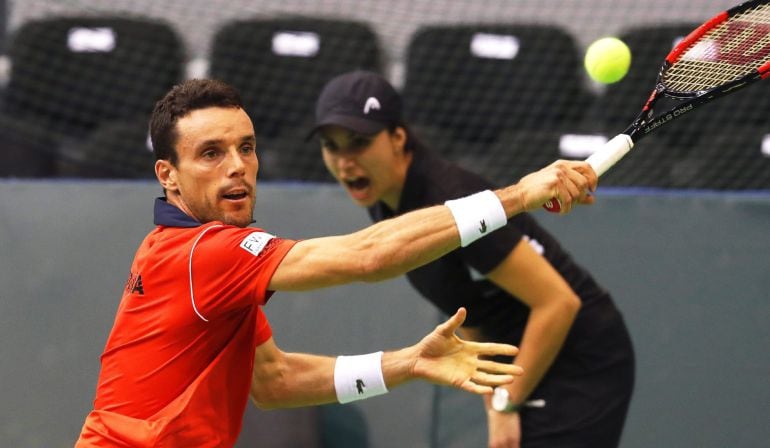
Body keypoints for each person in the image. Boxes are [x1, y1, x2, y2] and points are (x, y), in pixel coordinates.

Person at [75, 78, 597, 447]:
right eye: (211, 153)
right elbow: (368, 256)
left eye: (247, 147)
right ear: (168, 175)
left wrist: (409, 363)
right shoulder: (204, 254)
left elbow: (274, 382)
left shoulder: (194, 260)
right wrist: (516, 197)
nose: (238, 166)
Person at [308, 70, 635, 448]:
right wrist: (495, 403)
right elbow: (471, 316)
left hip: (581, 356)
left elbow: (559, 303)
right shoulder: (385, 202)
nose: (345, 161)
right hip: (520, 363)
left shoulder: (453, 200)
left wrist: (505, 405)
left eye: (359, 142)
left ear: (398, 138)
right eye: (332, 146)